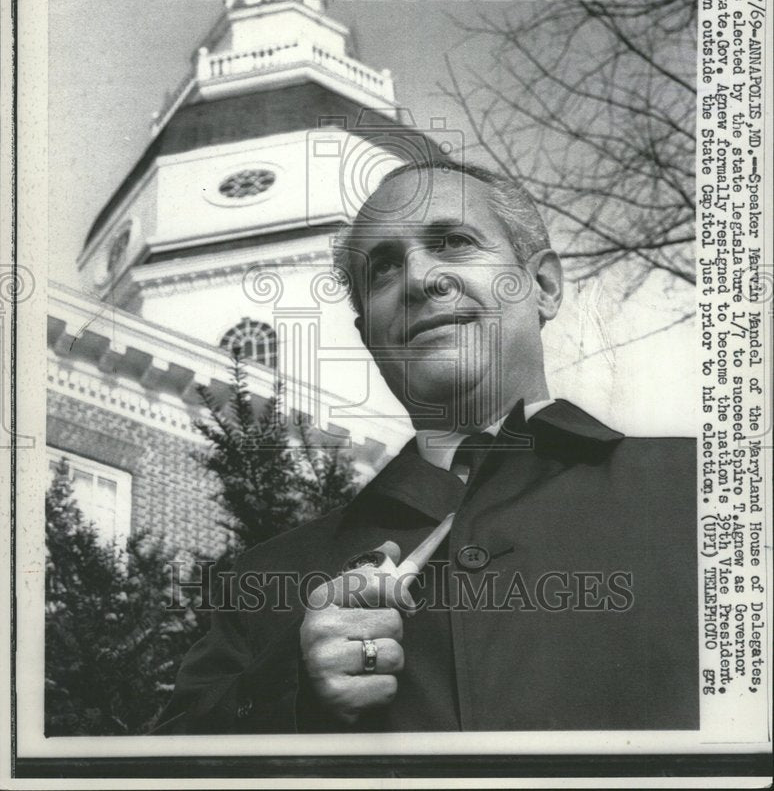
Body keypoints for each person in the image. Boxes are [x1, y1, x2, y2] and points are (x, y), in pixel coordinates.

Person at [155, 160, 697, 734]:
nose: (417, 277)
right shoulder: (261, 580)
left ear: (542, 286)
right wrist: (289, 685)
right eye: (383, 269)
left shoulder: (706, 497)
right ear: (369, 335)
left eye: (455, 241)